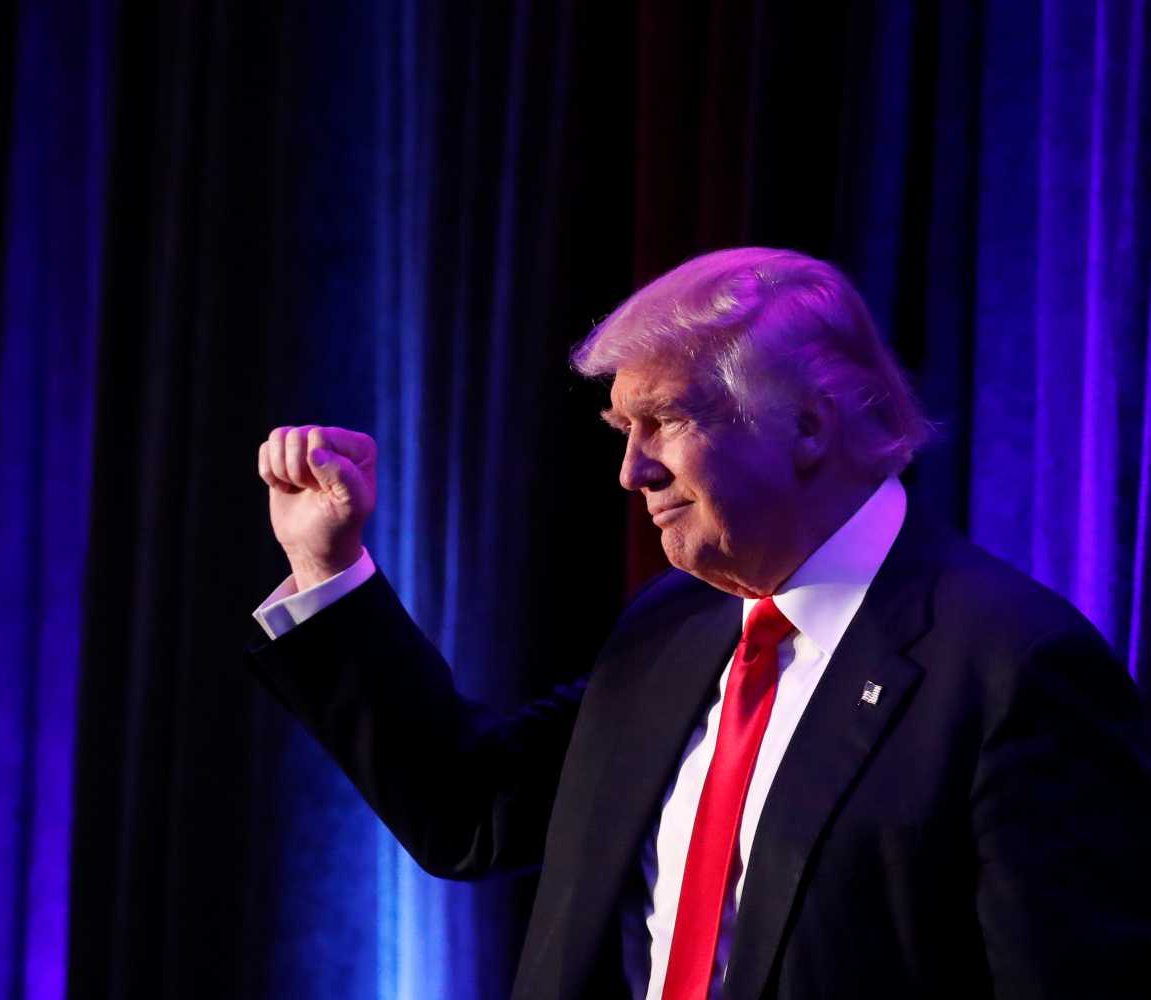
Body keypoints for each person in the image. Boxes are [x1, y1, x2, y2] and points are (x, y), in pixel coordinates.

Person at [245, 247, 1151, 999]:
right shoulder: (671, 625)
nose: (631, 472)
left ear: (806, 426)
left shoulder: (1011, 669)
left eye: (665, 421)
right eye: (620, 429)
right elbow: (471, 811)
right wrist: (329, 570)